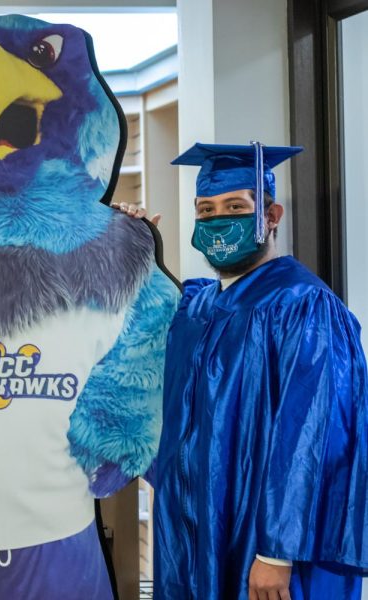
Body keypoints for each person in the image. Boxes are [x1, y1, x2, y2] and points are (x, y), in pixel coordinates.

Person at [123, 142, 368, 600]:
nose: (219, 220)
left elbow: (313, 436)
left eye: (235, 206)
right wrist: (131, 245)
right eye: (207, 209)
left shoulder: (303, 307)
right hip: (192, 533)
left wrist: (277, 553)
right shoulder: (197, 307)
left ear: (271, 216)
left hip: (266, 548)